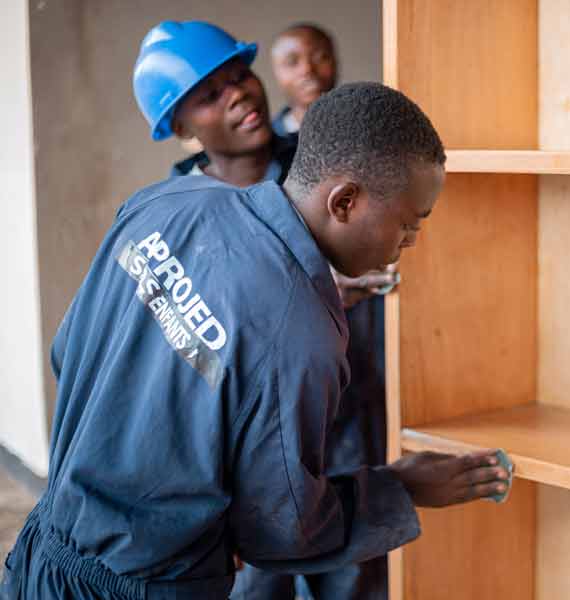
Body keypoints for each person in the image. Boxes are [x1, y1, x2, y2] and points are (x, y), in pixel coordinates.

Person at [0, 48, 511, 600]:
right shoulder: (305, 333)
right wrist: (400, 487)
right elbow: (281, 530)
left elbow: (68, 350)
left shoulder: (167, 201)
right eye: (410, 223)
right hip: (148, 587)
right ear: (344, 201)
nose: (410, 242)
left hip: (45, 548)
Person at [231, 23, 395, 600]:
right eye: (293, 60)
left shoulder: (367, 139)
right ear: (276, 73)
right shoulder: (261, 151)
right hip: (290, 344)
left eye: (319, 55)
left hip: (357, 346)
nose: (309, 69)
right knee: (275, 487)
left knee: (352, 474)